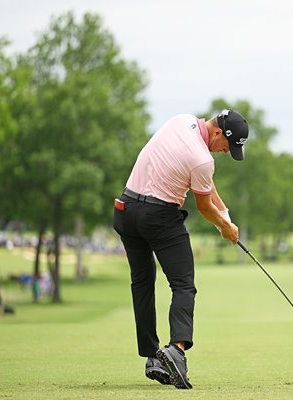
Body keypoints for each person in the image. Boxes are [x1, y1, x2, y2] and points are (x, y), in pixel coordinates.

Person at [113, 109, 249, 390]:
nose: (225, 152)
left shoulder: (180, 121)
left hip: (126, 210)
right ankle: (176, 349)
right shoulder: (202, 159)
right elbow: (202, 205)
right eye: (227, 146)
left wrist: (226, 215)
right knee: (183, 285)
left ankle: (153, 357)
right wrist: (225, 227)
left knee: (142, 282)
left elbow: (206, 186)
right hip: (158, 216)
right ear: (217, 133)